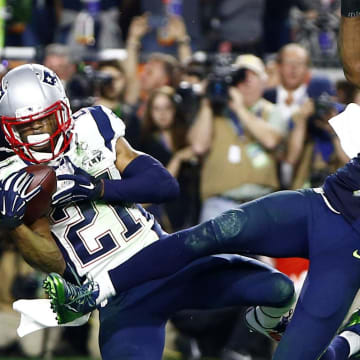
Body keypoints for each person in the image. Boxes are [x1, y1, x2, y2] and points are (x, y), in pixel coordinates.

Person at [40, 29, 360, 359]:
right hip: (325, 202)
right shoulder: (22, 167)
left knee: (289, 309)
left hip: (350, 246)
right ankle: (99, 291)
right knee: (221, 233)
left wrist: (345, 346)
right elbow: (353, 67)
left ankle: (329, 338)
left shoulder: (92, 127)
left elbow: (162, 185)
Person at [0, 63, 295, 360]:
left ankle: (263, 328)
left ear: (62, 110)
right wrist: (14, 225)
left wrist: (97, 189)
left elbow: (164, 185)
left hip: (165, 260)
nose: (37, 136)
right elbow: (54, 263)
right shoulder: (12, 176)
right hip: (118, 298)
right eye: (25, 129)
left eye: (44, 123)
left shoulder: (91, 126)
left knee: (279, 289)